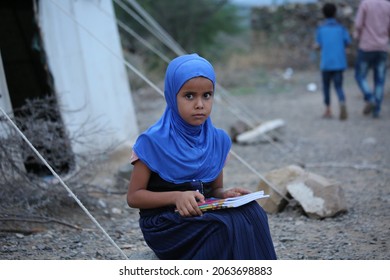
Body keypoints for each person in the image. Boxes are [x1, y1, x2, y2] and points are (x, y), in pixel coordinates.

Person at [127, 53, 277, 260]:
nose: (200, 104)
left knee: (253, 213)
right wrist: (176, 196)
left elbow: (214, 190)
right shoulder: (152, 142)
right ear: (172, 96)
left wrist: (225, 195)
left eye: (207, 95)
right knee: (221, 228)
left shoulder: (217, 140)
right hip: (165, 223)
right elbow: (134, 197)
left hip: (200, 212)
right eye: (189, 96)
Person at [354, 0, 390, 118]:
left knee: (360, 76)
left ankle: (370, 97)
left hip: (366, 46)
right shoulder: (387, 5)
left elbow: (358, 24)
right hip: (382, 47)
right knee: (379, 80)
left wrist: (358, 36)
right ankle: (377, 109)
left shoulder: (366, 4)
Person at [315, 3, 351, 120]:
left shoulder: (321, 29)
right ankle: (342, 101)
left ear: (323, 14)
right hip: (339, 62)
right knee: (339, 86)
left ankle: (328, 109)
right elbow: (347, 42)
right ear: (335, 13)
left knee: (326, 87)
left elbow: (318, 45)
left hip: (326, 63)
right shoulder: (341, 28)